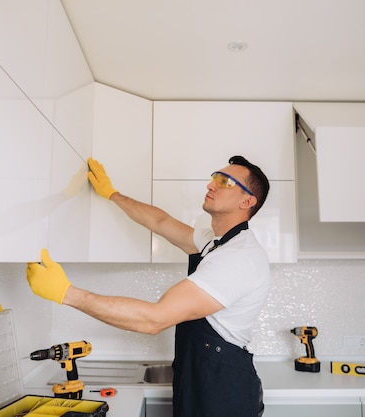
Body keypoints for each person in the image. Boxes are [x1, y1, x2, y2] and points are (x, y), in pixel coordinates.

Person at [27, 155, 271, 417]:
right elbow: (160, 222)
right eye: (214, 177)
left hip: (224, 394)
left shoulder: (237, 258)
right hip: (204, 379)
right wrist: (112, 194)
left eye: (225, 181)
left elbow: (153, 320)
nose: (211, 185)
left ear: (247, 201)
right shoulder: (215, 242)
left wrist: (68, 293)